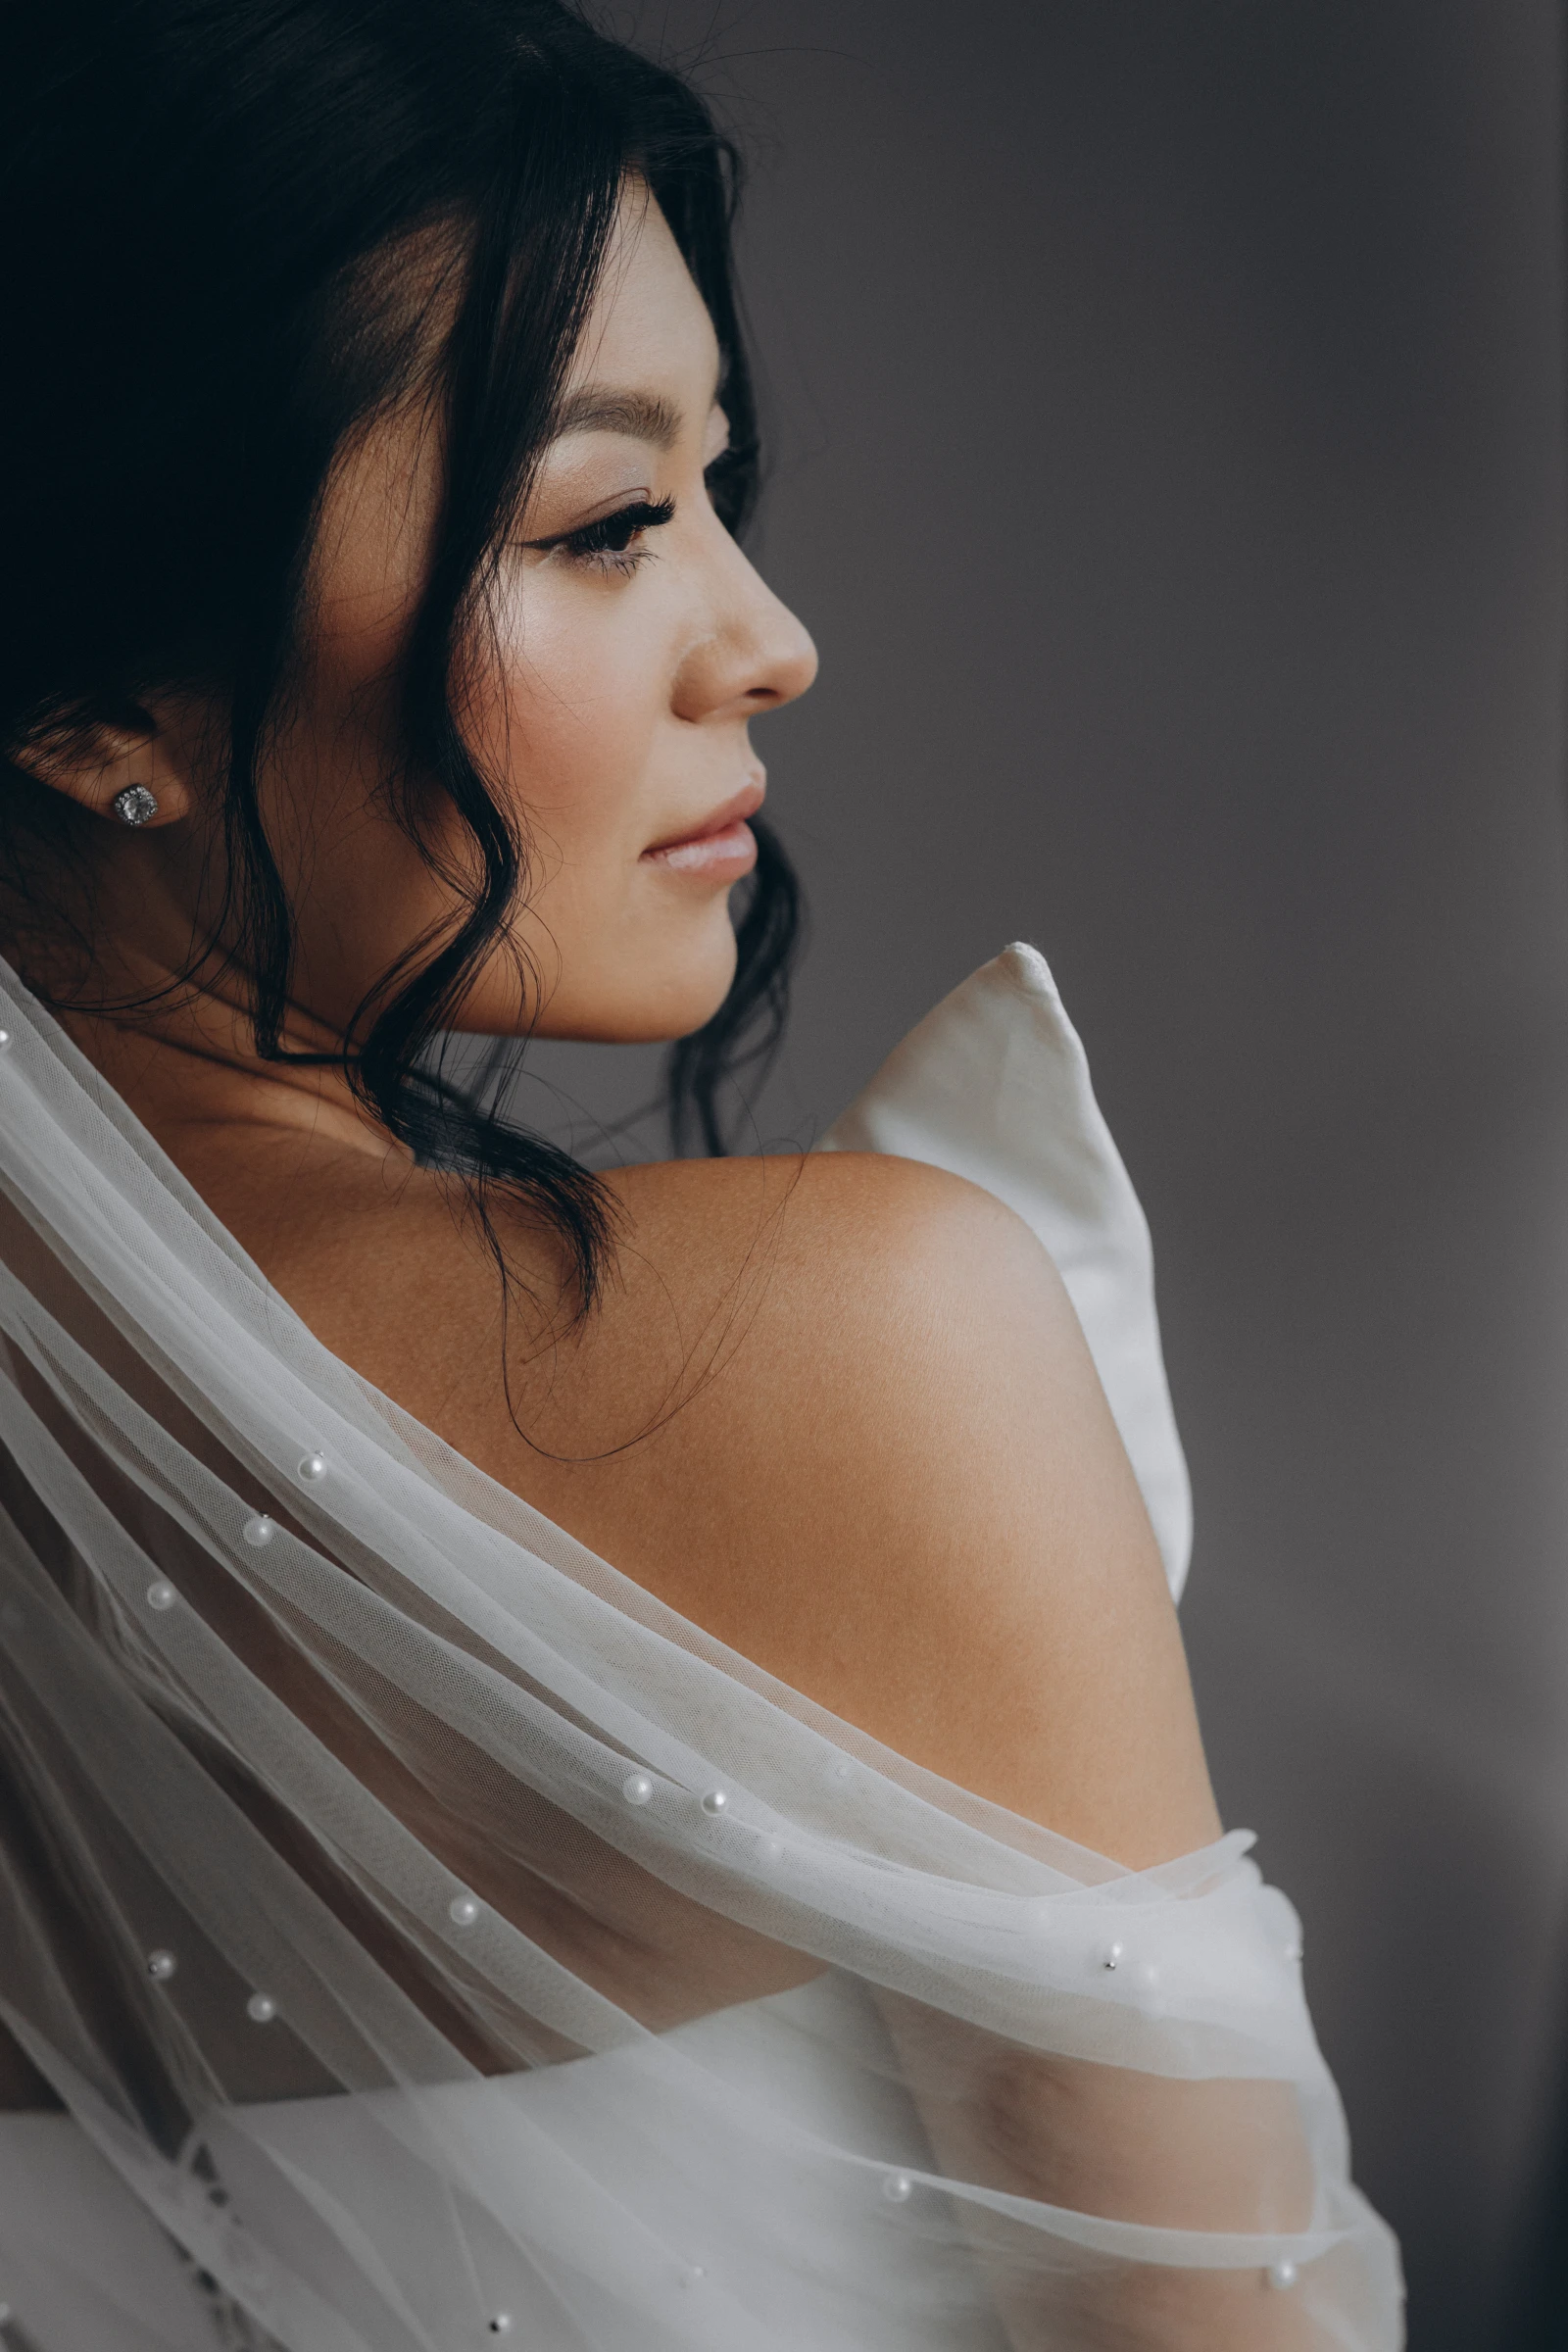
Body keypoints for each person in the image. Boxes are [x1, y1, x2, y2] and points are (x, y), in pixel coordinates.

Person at [0, 2, 1400, 2343]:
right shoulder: (851, 1347)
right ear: (93, 704)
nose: (768, 642)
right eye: (605, 522)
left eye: (712, 494)